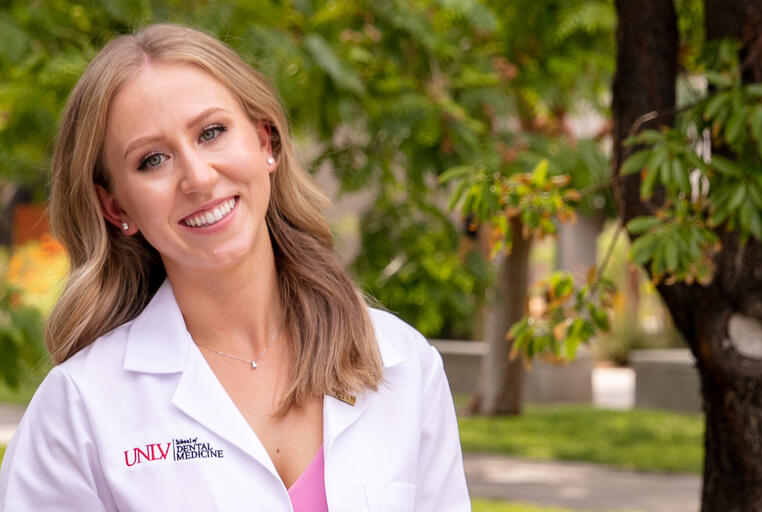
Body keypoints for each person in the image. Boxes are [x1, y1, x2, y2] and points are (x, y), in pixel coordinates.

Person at [0, 23, 470, 512]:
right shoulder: (79, 411)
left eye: (211, 132)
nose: (199, 178)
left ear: (265, 141)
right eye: (152, 160)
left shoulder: (404, 365)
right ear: (116, 207)